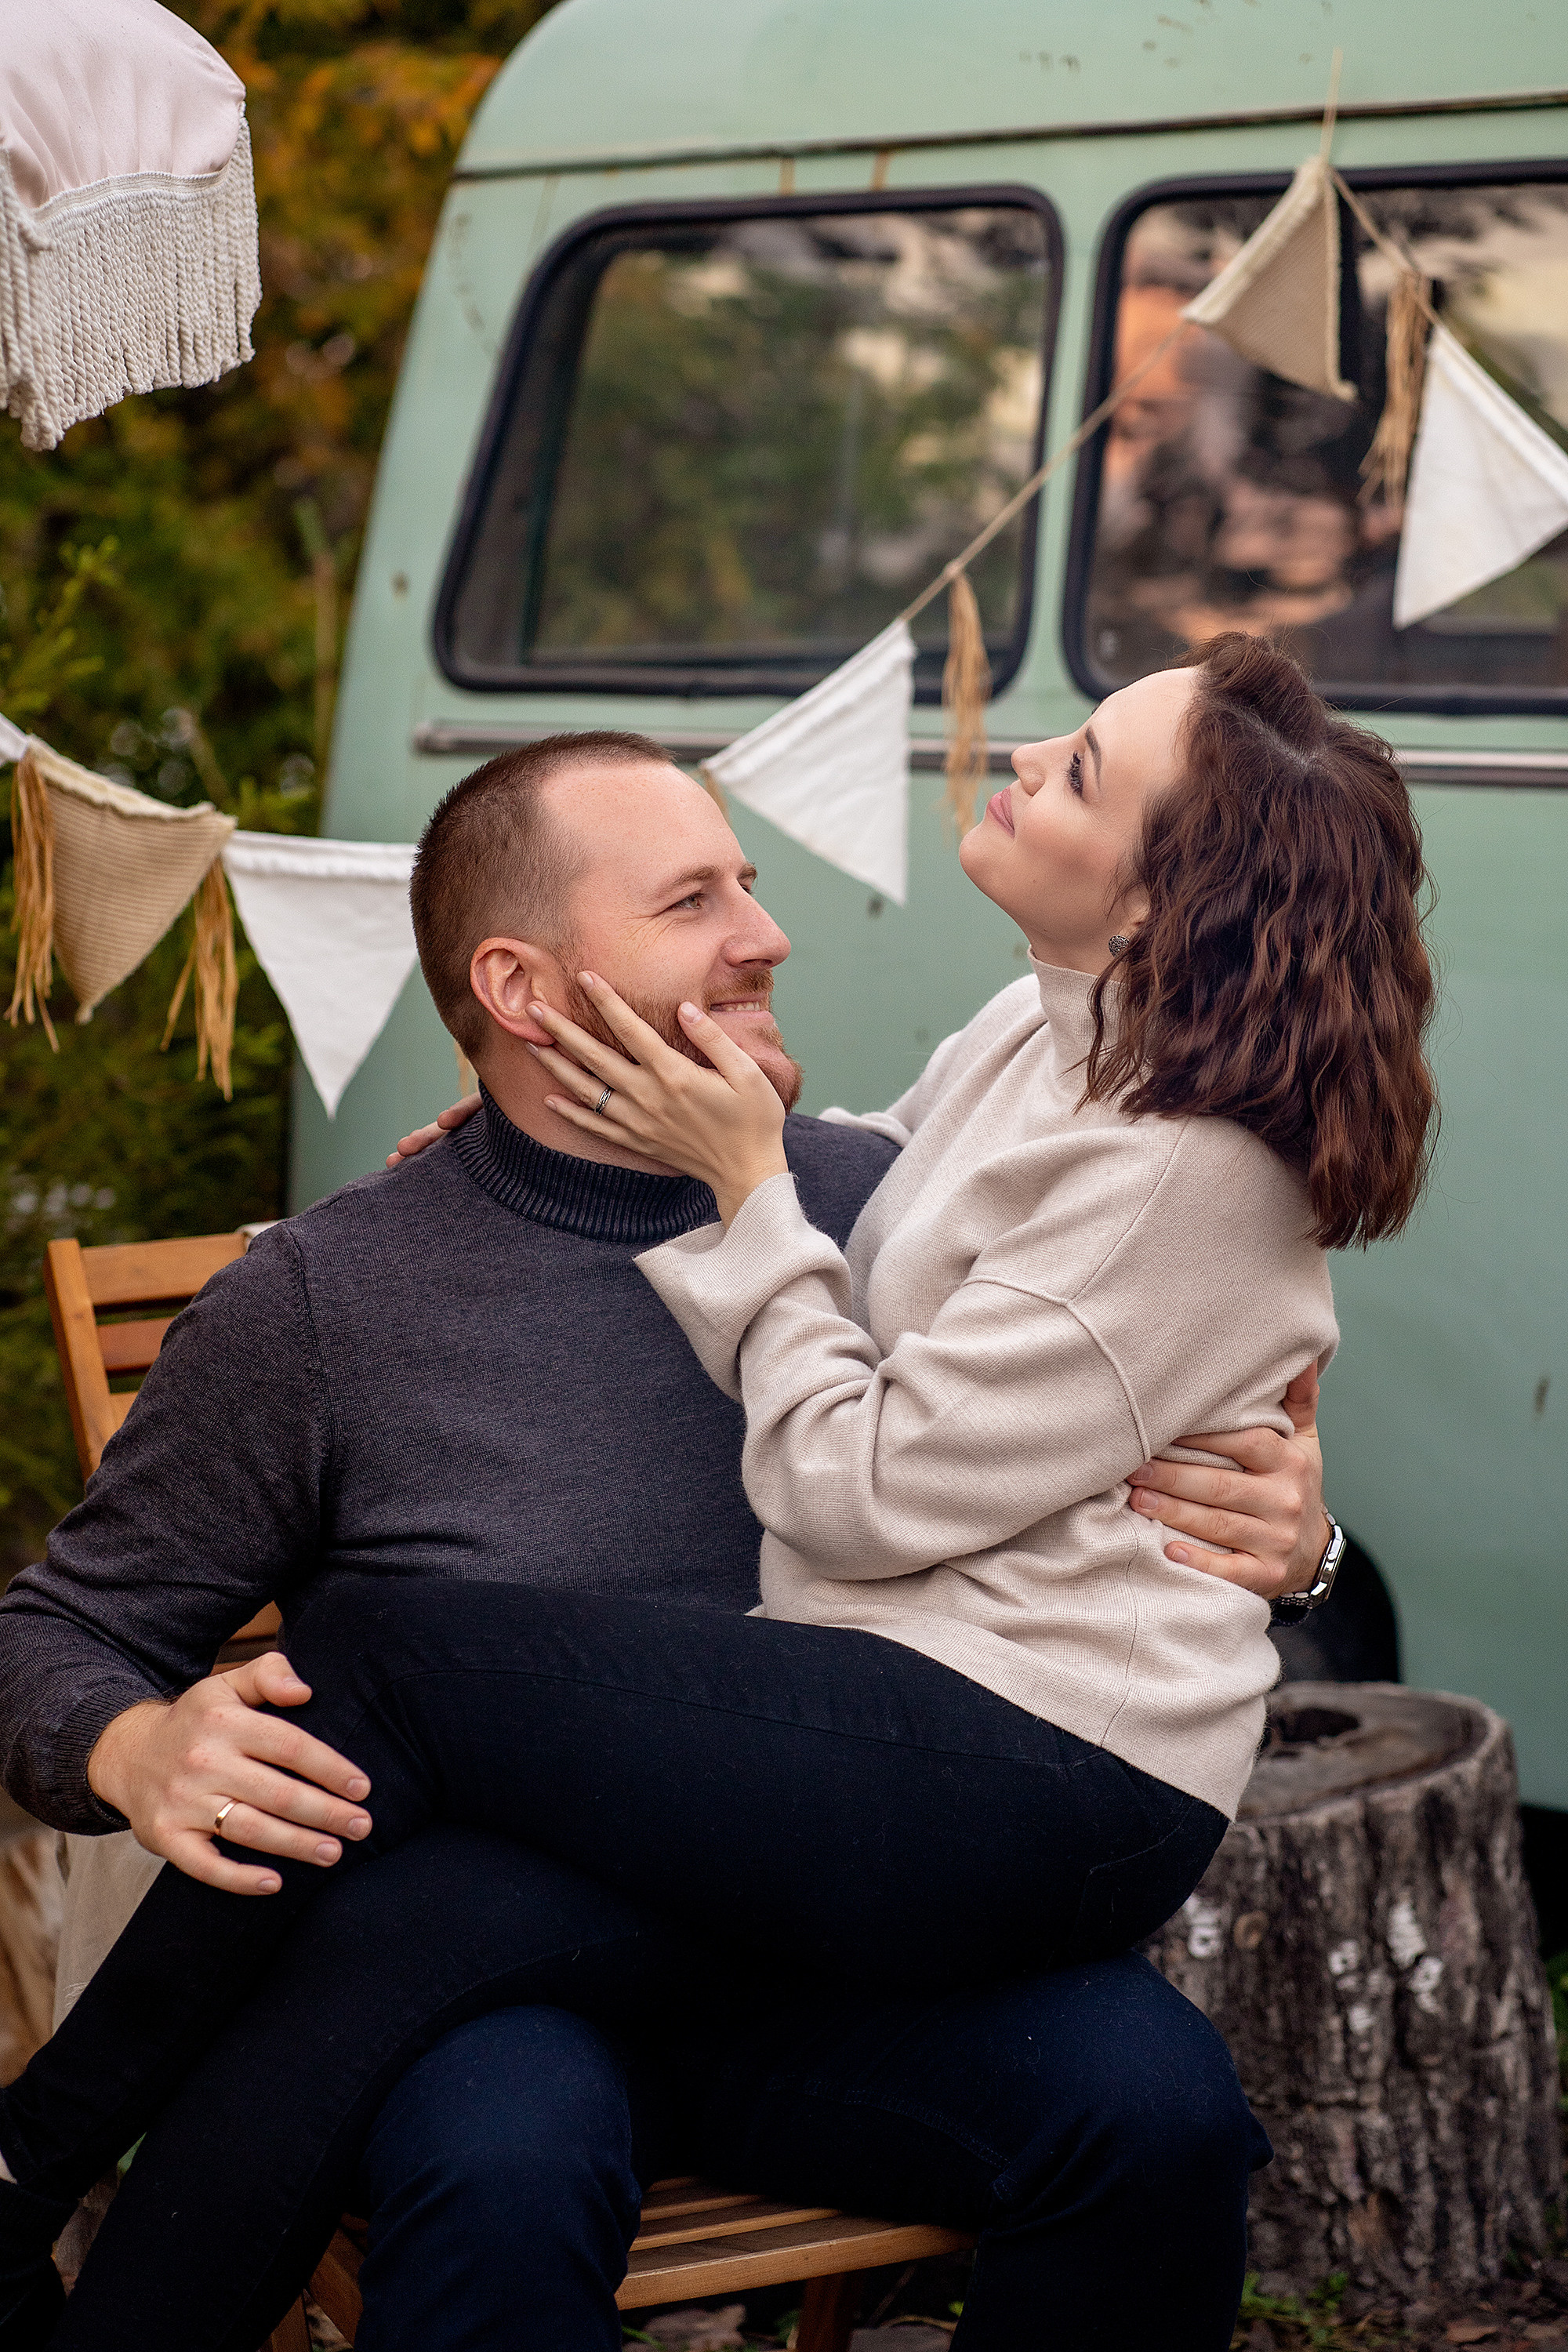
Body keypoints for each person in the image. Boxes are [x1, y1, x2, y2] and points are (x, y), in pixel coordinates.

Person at [0, 658, 1360, 2350]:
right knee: (495, 2138)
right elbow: (58, 1630)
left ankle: (24, 2188)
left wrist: (1303, 1546)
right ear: (521, 986)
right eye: (693, 899)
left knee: (1156, 2108)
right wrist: (128, 1749)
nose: (768, 936)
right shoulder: (335, 1300)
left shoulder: (832, 1205)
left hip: (837, 1920)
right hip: (528, 1971)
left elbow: (1138, 1341)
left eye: (752, 884)